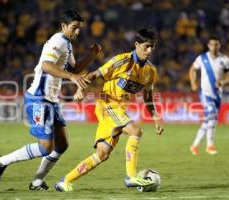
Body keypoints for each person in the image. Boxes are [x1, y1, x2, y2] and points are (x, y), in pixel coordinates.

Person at [0, 9, 101, 190]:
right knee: (45, 148)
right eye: (74, 28)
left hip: (50, 100)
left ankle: (36, 182)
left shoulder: (67, 44)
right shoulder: (58, 41)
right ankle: (1, 161)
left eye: (79, 28)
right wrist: (71, 78)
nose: (77, 32)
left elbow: (73, 70)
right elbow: (46, 65)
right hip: (39, 98)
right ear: (63, 26)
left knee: (62, 144)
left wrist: (91, 56)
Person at [55, 27, 164, 192]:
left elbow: (148, 97)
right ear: (136, 44)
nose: (149, 51)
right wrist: (80, 89)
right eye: (146, 46)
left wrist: (156, 117)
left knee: (102, 153)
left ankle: (64, 181)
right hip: (107, 105)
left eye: (152, 47)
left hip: (119, 110)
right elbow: (93, 75)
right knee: (136, 131)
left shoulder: (151, 71)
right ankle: (131, 177)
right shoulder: (121, 61)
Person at [189, 36, 229, 155]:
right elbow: (192, 69)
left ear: (219, 46)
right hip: (205, 94)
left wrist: (222, 82)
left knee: (209, 120)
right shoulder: (202, 58)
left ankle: (194, 145)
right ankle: (210, 145)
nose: (214, 47)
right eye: (212, 44)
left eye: (216, 44)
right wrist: (193, 83)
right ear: (208, 45)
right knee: (213, 117)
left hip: (217, 95)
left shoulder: (224, 59)